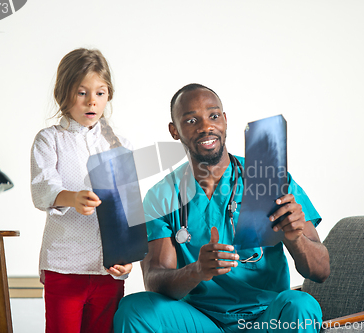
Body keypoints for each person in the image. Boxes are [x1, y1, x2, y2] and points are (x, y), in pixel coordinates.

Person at [114, 83, 330, 332]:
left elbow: (321, 271)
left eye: (213, 116)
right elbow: (154, 280)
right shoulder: (162, 196)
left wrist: (295, 239)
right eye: (192, 120)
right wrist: (197, 270)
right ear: (175, 131)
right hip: (201, 321)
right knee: (135, 310)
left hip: (267, 318)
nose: (206, 126)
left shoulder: (267, 179)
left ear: (225, 120)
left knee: (301, 304)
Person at [31, 48, 133, 333]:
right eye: (81, 92)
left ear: (108, 95)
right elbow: (43, 189)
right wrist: (72, 198)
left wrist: (127, 260)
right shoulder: (49, 140)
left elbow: (127, 209)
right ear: (63, 94)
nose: (92, 101)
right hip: (63, 267)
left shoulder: (120, 145)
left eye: (100, 93)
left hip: (107, 271)